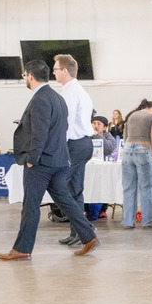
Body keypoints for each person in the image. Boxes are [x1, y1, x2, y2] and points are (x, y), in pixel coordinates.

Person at [0, 60, 101, 261]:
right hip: (59, 160)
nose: (25, 79)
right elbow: (60, 129)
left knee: (31, 205)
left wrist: (32, 159)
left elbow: (40, 133)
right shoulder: (57, 98)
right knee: (66, 201)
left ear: (30, 76)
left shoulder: (40, 99)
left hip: (42, 162)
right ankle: (89, 237)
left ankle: (22, 249)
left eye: (24, 76)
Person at [52, 54, 95, 247]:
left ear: (65, 71)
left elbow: (65, 122)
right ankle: (78, 232)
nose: (53, 72)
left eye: (55, 69)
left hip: (74, 145)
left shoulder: (69, 92)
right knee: (74, 190)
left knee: (59, 186)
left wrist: (56, 146)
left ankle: (85, 230)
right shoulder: (79, 90)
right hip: (83, 144)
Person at [122, 100, 152, 229]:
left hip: (127, 149)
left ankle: (127, 221)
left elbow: (125, 136)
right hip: (143, 147)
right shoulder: (151, 116)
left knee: (128, 188)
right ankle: (147, 221)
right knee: (145, 188)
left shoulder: (131, 115)